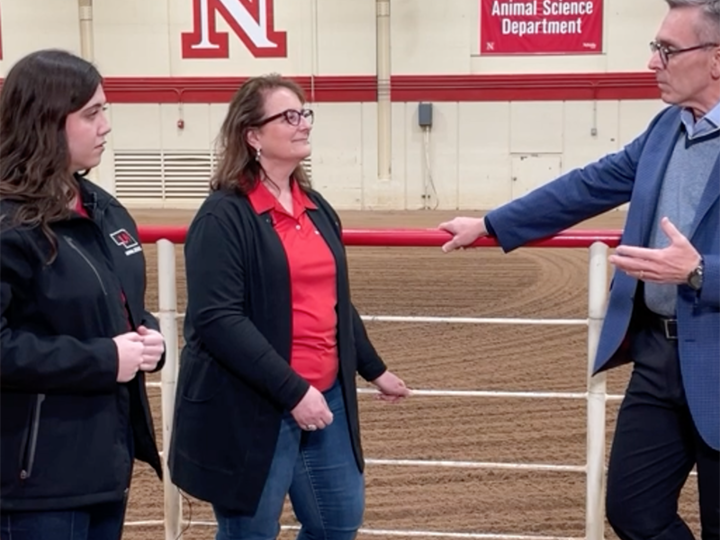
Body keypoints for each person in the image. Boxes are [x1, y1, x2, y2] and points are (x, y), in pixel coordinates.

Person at [439, 1, 720, 538]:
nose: (651, 62)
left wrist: (699, 270)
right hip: (658, 358)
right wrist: (493, 224)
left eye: (666, 50)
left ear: (715, 60)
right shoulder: (665, 129)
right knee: (633, 509)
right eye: (654, 48)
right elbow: (590, 185)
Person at [168, 73, 411, 540]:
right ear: (253, 135)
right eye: (289, 116)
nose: (303, 124)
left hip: (327, 397)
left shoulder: (317, 207)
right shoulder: (223, 216)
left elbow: (335, 300)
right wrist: (294, 392)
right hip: (255, 402)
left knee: (337, 521)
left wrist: (373, 368)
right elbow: (217, 320)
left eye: (305, 114)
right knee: (251, 532)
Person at [0, 49, 165, 540]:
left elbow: (112, 303)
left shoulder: (104, 210)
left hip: (102, 467)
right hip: (34, 485)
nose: (106, 126)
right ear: (47, 119)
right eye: (92, 113)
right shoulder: (10, 223)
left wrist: (145, 335)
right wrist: (103, 358)